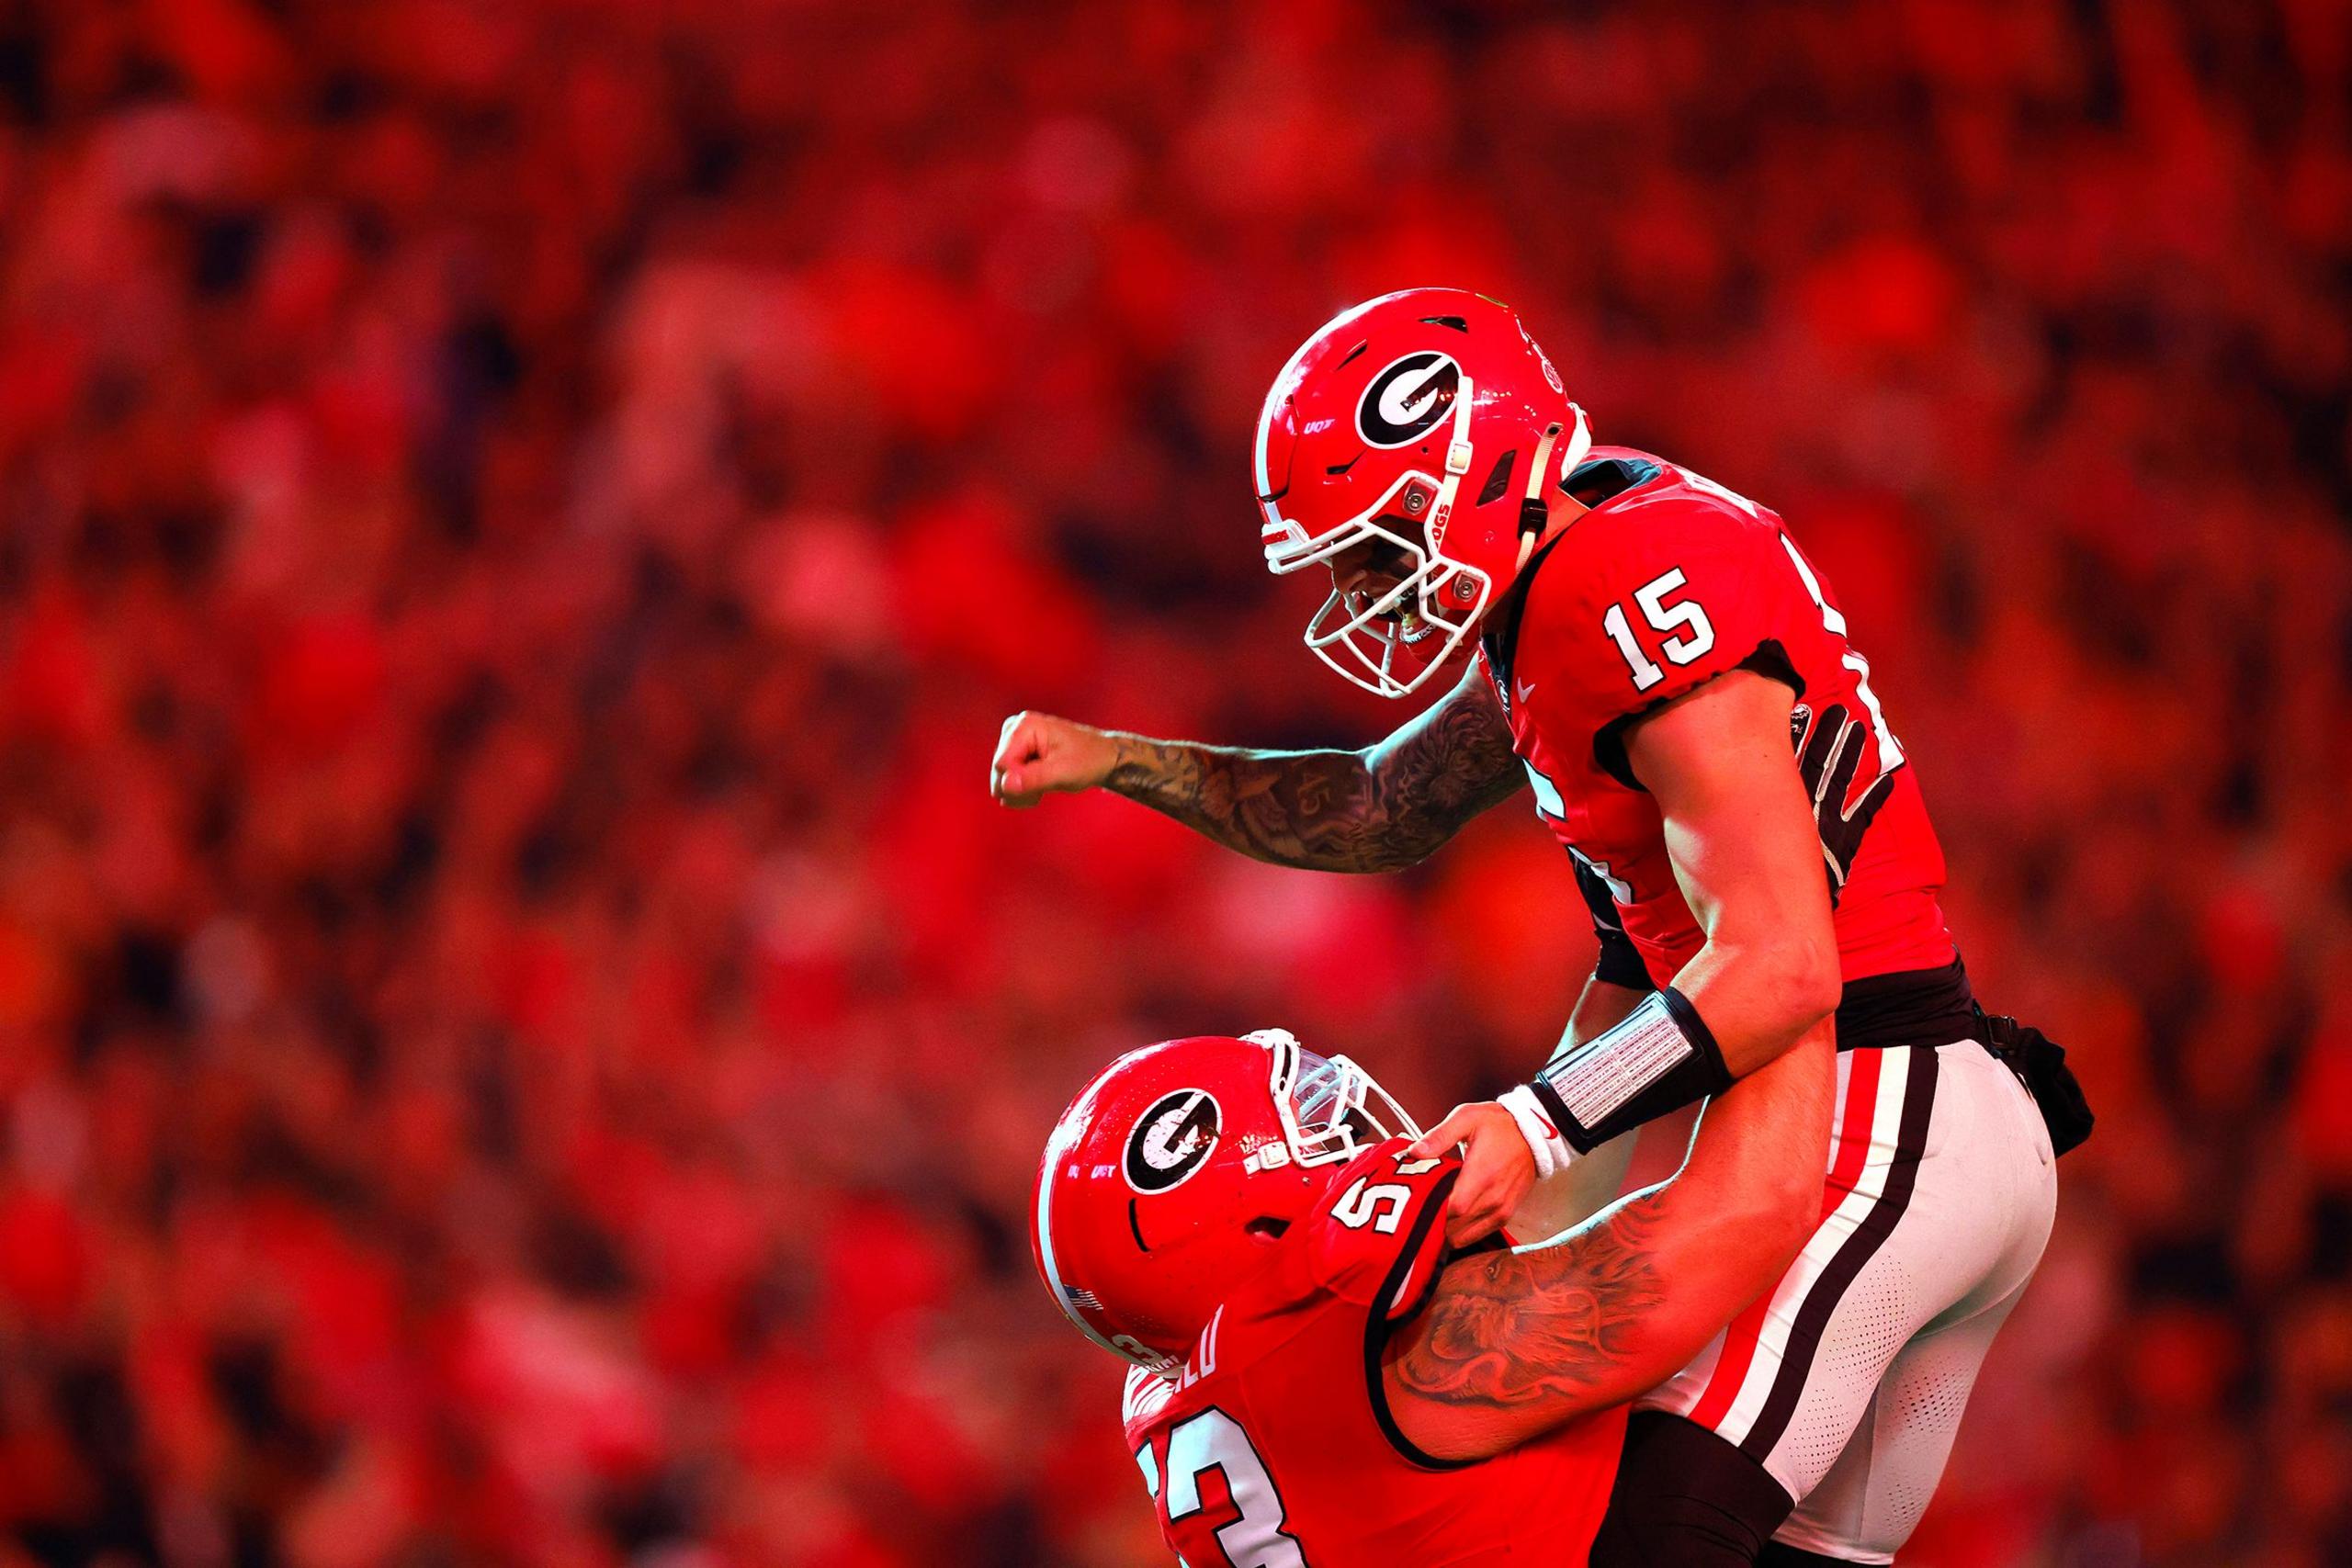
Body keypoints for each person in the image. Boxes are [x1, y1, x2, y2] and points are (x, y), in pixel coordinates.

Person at [993, 289, 2085, 1563]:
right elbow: (1376, 807)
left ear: (1468, 464)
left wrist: (1540, 1117)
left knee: (1654, 1537)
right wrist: (1125, 759)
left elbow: (1783, 965)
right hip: (1906, 1108)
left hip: (1877, 1104)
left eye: (1371, 542)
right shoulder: (1578, 568)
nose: (1360, 587)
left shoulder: (1616, 581)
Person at [1032, 1025, 1831, 1567]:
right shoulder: (1357, 1347)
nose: (1343, 1134)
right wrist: (1790, 939)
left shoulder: (1188, 1376)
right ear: (1253, 1225)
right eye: (1307, 1125)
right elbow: (1757, 1204)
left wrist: (1634, 949)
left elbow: (1545, 1222)